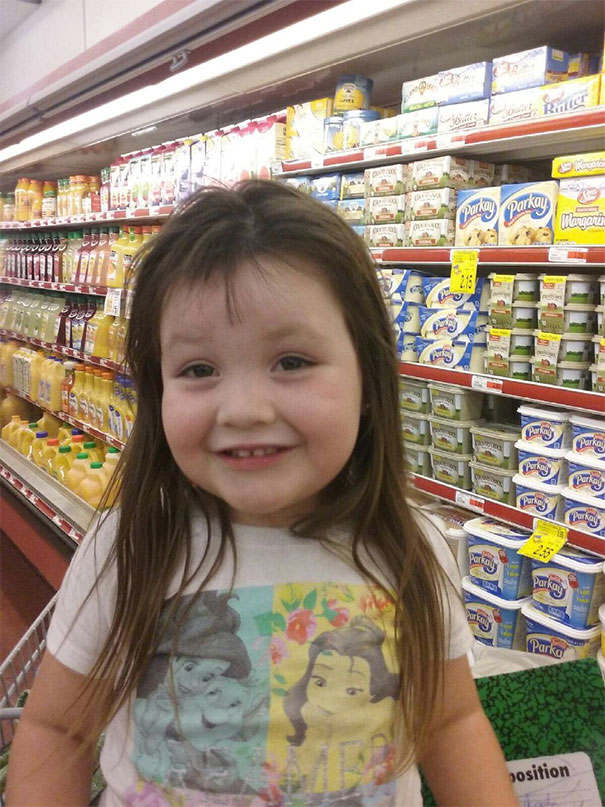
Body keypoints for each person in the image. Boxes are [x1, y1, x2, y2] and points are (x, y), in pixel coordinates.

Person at [6, 180, 518, 807]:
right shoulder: (131, 547)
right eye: (199, 370)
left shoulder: (408, 546)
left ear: (368, 374)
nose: (244, 410)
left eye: (293, 362)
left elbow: (450, 723)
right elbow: (59, 727)